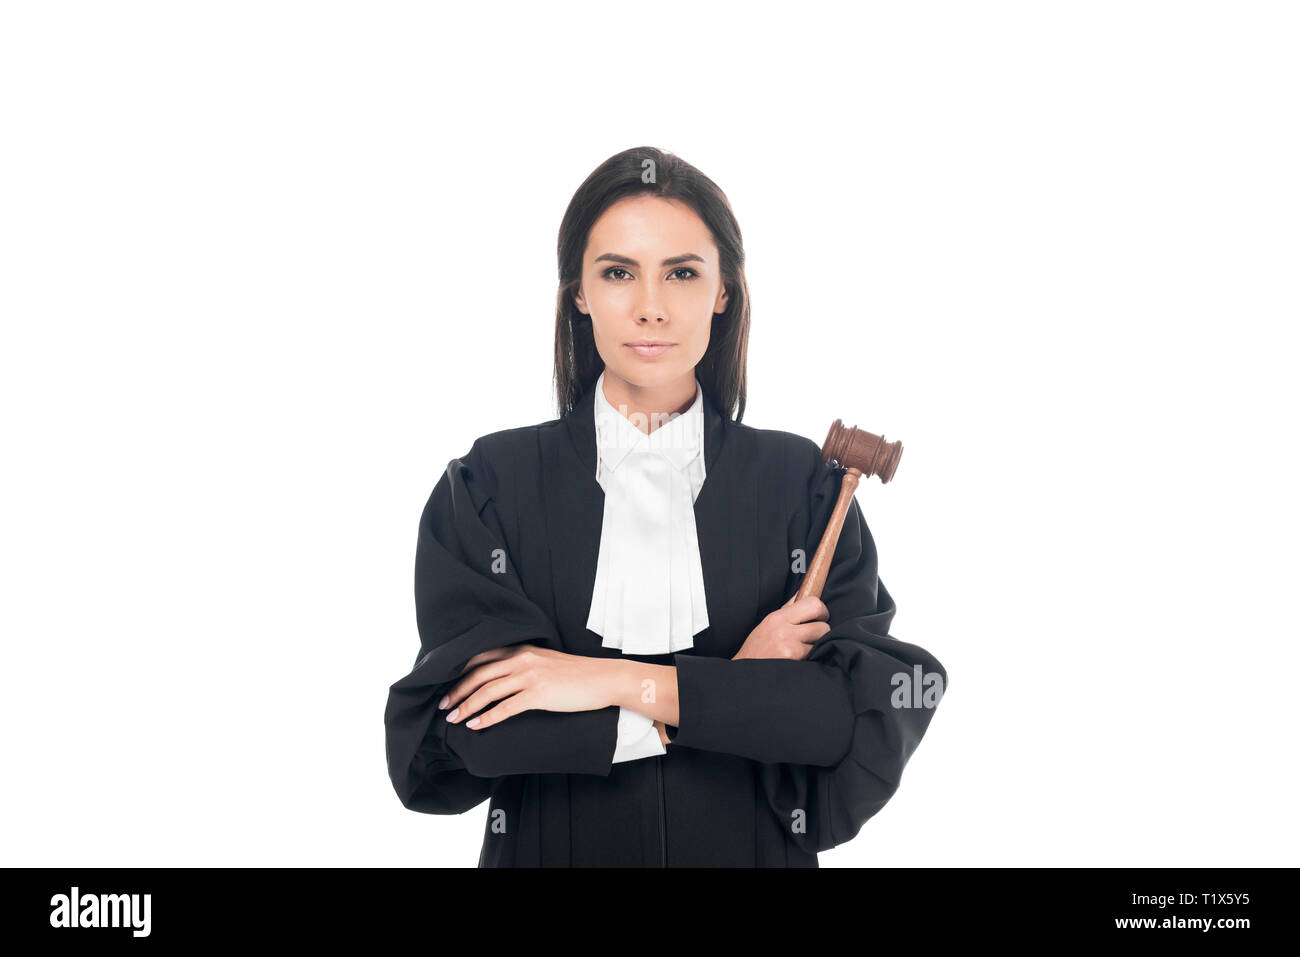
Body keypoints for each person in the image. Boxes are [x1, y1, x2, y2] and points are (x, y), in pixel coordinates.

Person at [384, 146, 947, 866]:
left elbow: (834, 720)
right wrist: (730, 690)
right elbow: (482, 728)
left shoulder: (804, 483)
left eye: (682, 272)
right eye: (618, 272)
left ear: (724, 290)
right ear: (578, 293)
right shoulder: (489, 482)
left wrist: (596, 678)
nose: (651, 305)